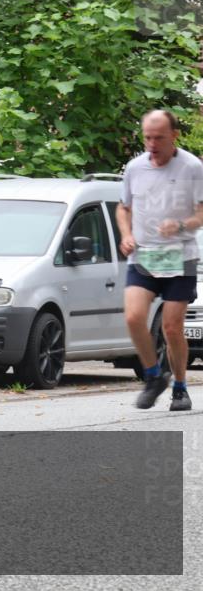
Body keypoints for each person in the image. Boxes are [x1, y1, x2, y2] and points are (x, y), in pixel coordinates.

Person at [118, 109, 202, 412]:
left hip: (181, 256)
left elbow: (202, 212)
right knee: (133, 318)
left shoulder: (193, 167)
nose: (152, 144)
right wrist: (126, 234)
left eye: (159, 138)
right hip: (144, 254)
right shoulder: (134, 168)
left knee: (171, 328)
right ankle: (154, 375)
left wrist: (180, 226)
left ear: (174, 136)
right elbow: (123, 207)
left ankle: (180, 386)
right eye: (147, 138)